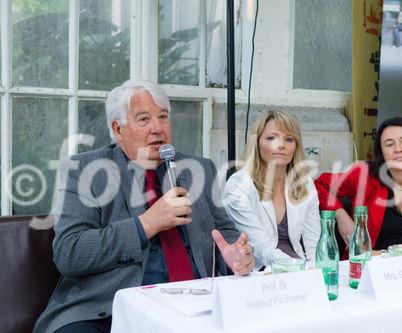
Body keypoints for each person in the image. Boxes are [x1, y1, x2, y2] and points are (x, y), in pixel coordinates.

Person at [34, 79, 254, 333]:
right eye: (143, 119)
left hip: (195, 303)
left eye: (163, 117)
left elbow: (225, 232)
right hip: (106, 310)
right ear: (118, 129)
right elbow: (70, 253)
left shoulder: (199, 169)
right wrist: (147, 224)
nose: (158, 128)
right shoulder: (84, 171)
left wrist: (235, 256)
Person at [315, 117, 402, 255]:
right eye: (389, 144)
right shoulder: (363, 176)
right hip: (367, 264)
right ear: (381, 153)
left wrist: (388, 256)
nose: (398, 149)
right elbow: (319, 184)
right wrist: (340, 215)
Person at [223, 110, 320, 270]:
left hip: (300, 267)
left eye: (289, 139)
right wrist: (300, 270)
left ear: (296, 146)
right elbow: (261, 249)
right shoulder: (237, 186)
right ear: (257, 143)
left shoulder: (305, 182)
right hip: (258, 272)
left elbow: (314, 245)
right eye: (271, 138)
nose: (281, 145)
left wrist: (316, 273)